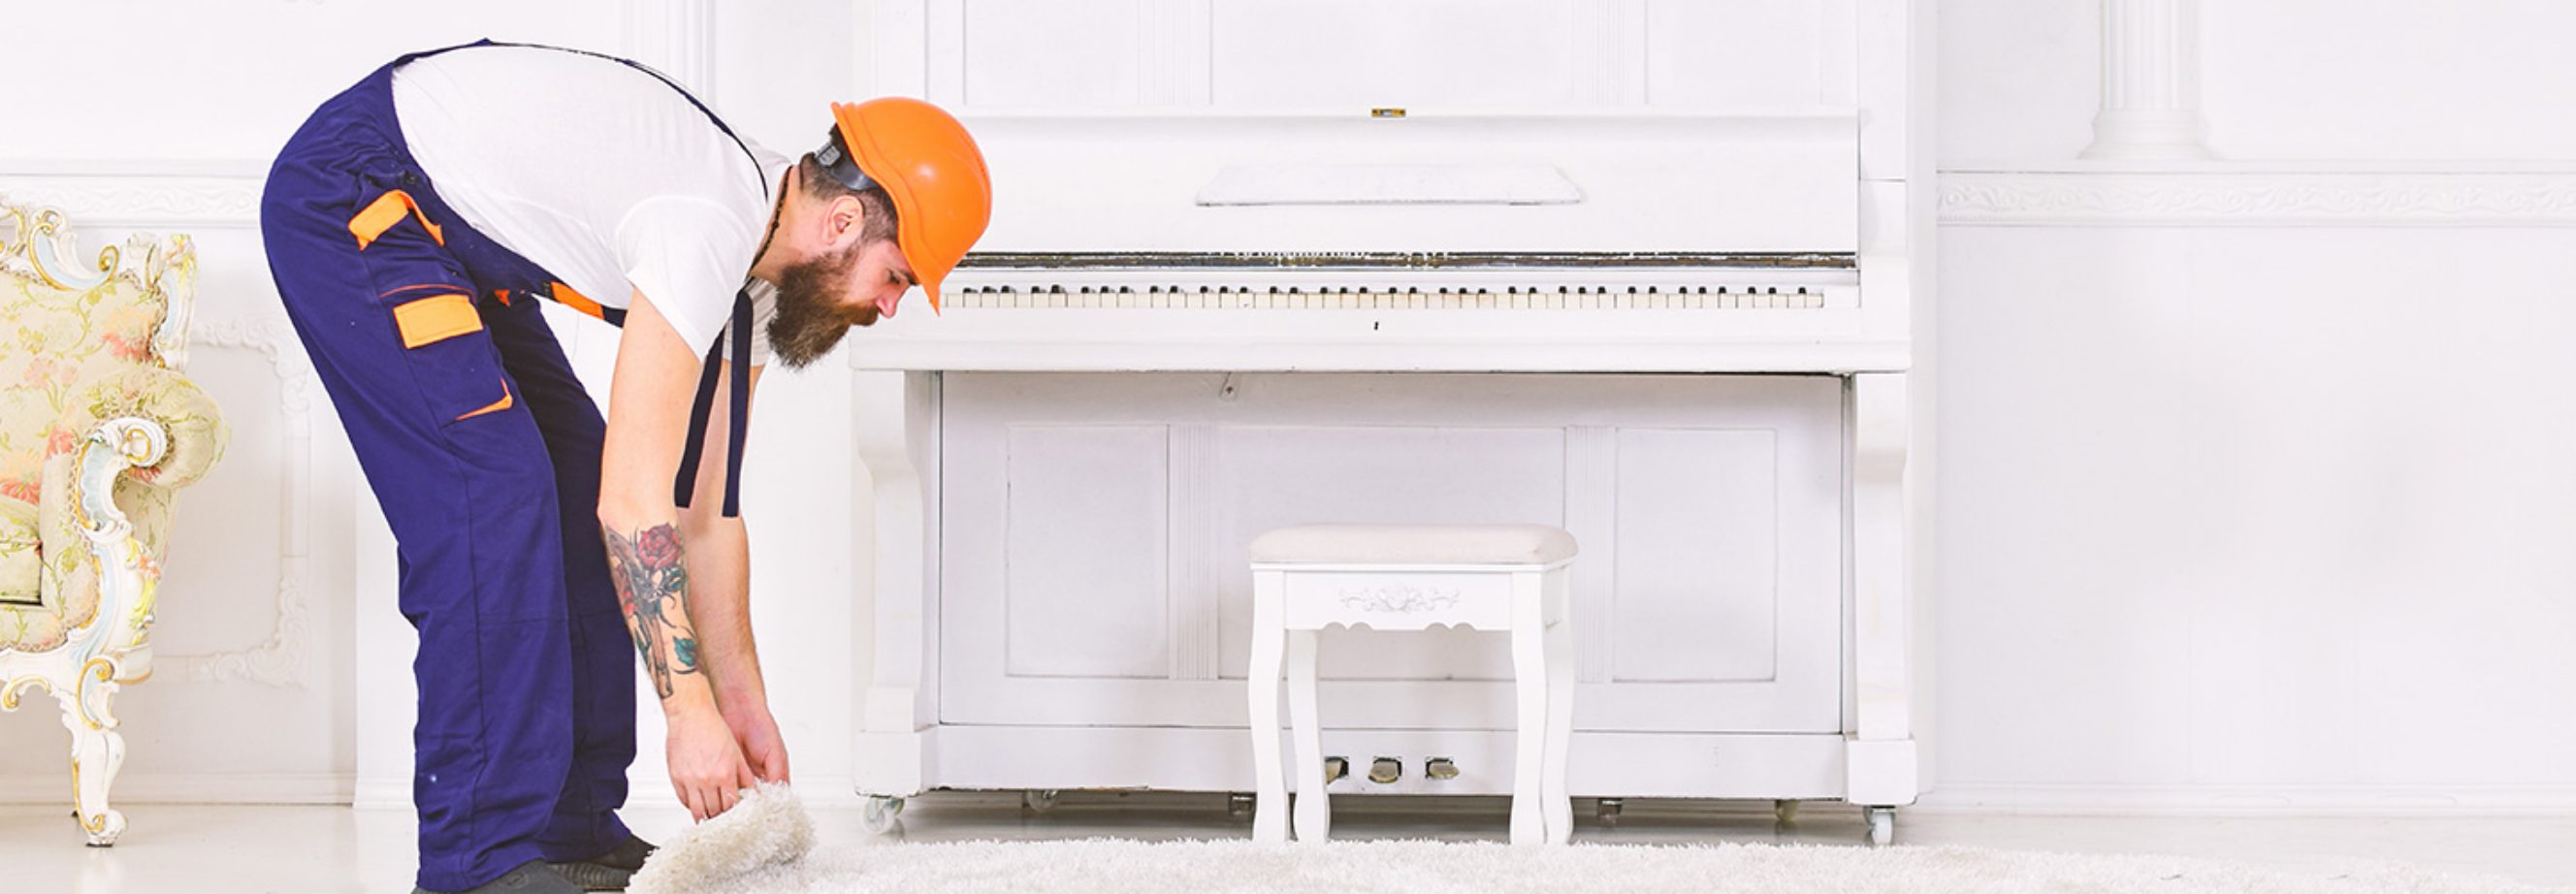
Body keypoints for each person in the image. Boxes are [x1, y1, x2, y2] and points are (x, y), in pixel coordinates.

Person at [258, 41, 991, 894]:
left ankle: (567, 825)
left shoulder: (753, 280)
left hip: (452, 240)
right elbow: (633, 503)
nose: (889, 305)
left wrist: (739, 705)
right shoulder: (710, 221)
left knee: (571, 477)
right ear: (844, 222)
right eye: (896, 275)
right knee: (490, 495)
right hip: (355, 194)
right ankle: (478, 862)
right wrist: (687, 718)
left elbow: (700, 513)